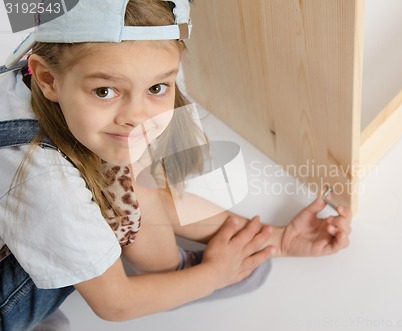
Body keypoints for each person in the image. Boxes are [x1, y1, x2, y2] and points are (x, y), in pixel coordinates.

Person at [0, 0, 352, 329]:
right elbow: (115, 303)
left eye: (157, 87)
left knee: (125, 168)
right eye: (104, 91)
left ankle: (172, 272)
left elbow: (158, 198)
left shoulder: (37, 53)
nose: (136, 115)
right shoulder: (44, 182)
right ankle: (174, 275)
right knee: (120, 173)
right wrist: (215, 275)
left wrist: (277, 240)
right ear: (46, 79)